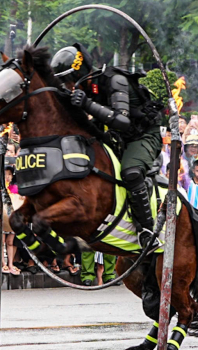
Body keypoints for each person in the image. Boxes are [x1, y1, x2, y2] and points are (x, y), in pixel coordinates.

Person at [53, 44, 163, 249]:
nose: (67, 87)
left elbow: (123, 121)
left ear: (79, 73)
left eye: (67, 81)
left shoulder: (115, 80)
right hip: (116, 136)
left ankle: (147, 231)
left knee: (130, 171)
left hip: (143, 135)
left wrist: (87, 104)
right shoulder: (87, 89)